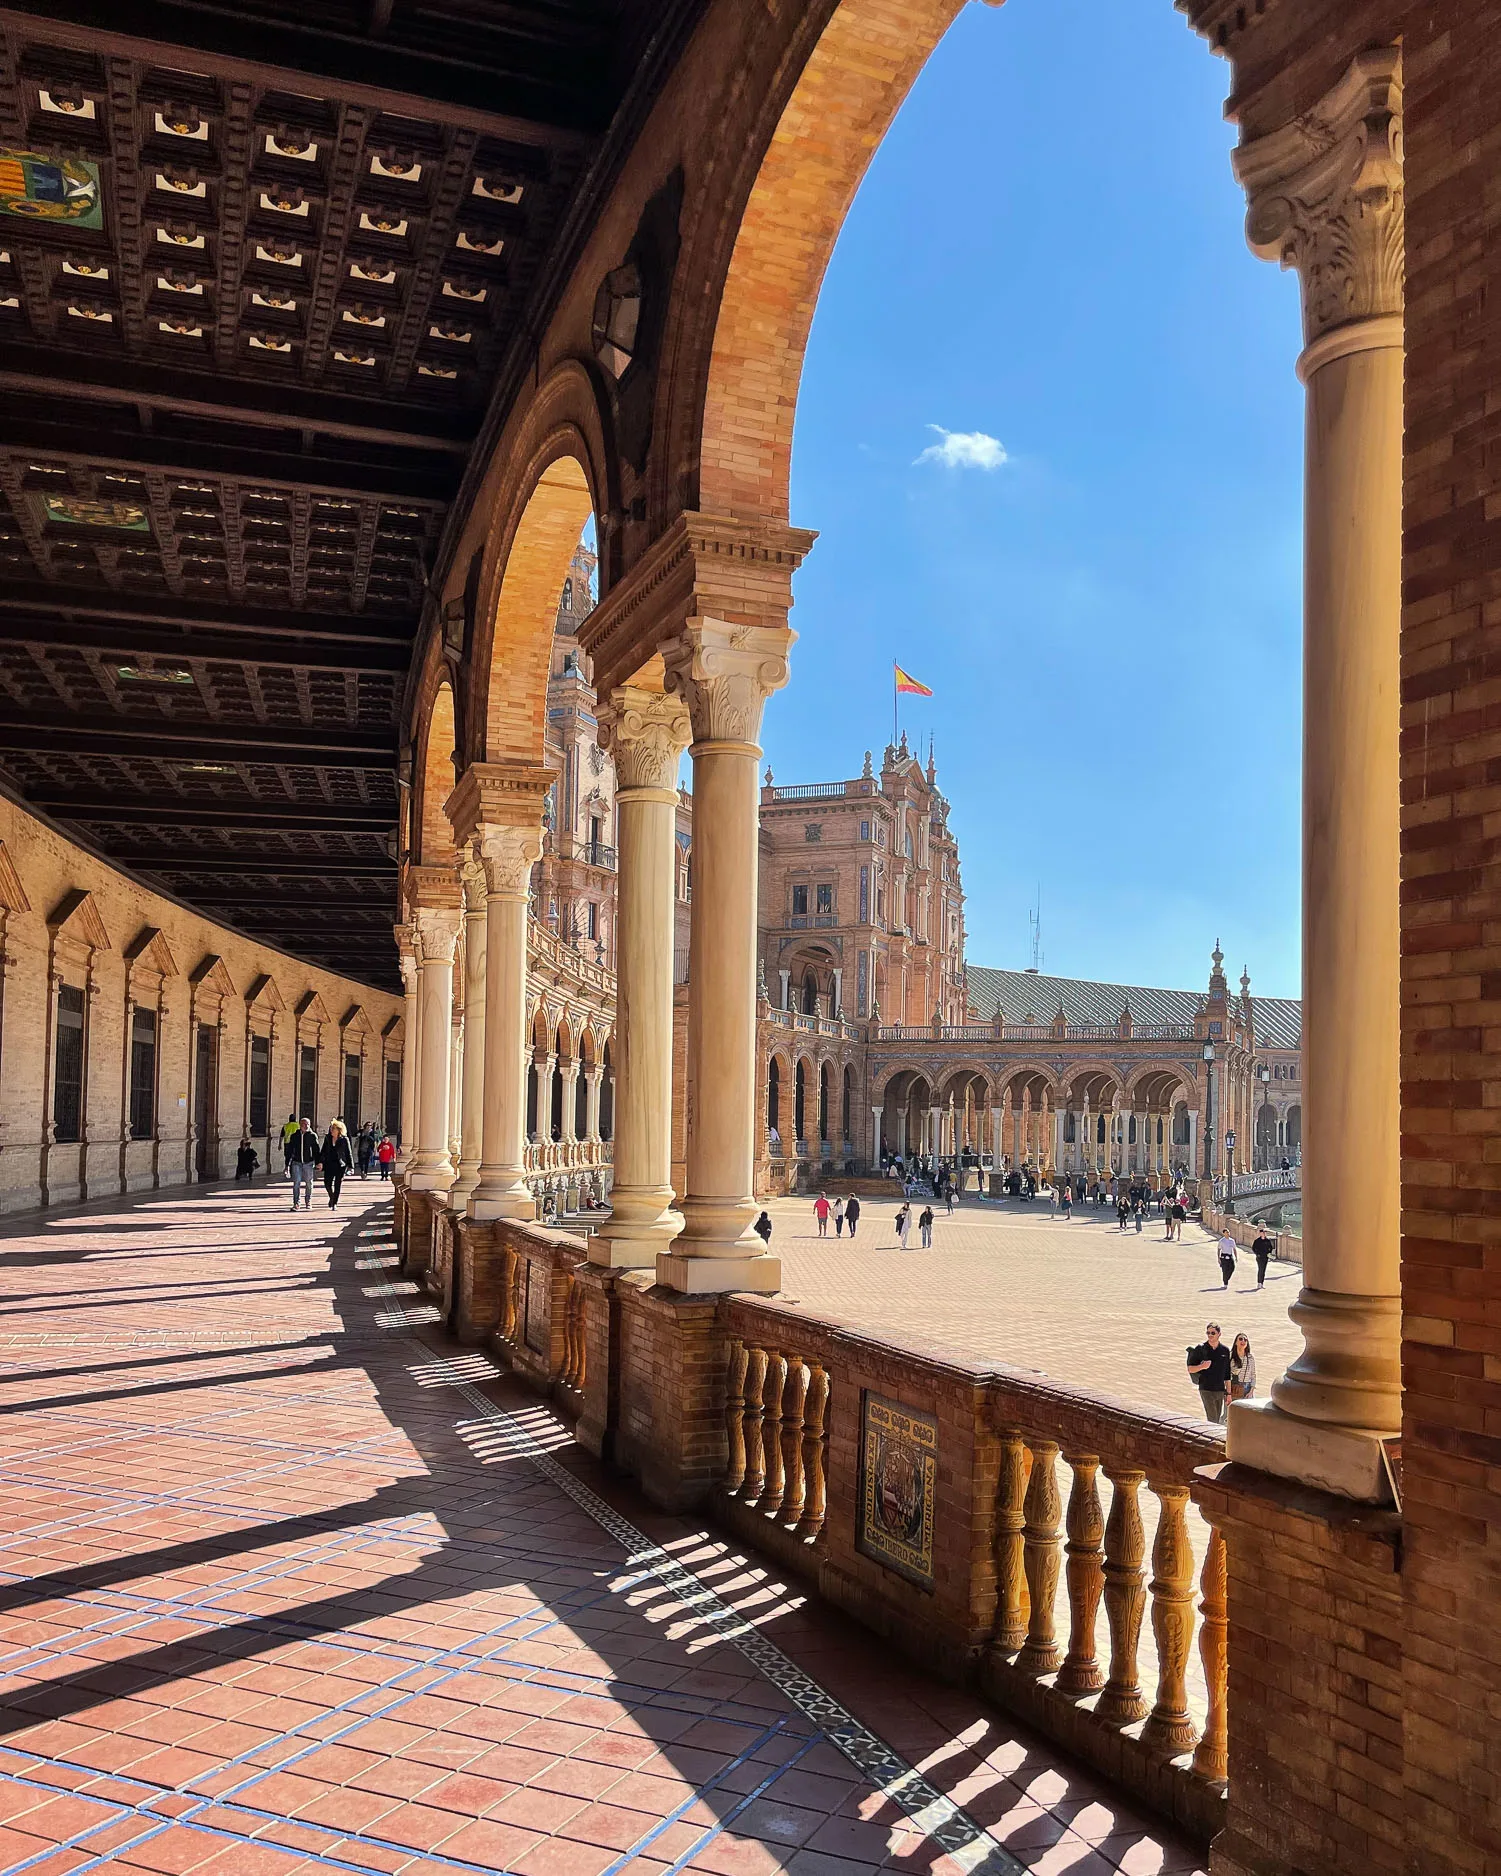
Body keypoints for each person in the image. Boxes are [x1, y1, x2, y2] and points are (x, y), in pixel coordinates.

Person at [1186, 1323, 1232, 1423]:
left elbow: (1227, 1374)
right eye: (1208, 1333)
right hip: (1205, 1388)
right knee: (1212, 1418)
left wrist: (1229, 1393)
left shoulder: (1225, 1350)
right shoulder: (1200, 1349)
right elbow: (1190, 1369)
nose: (1210, 1335)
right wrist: (1202, 1366)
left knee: (1217, 1418)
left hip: (1220, 1390)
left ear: (1219, 1334)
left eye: (1213, 1333)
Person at [286, 1117, 319, 1210]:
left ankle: (308, 1200)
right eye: (304, 1124)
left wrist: (318, 1162)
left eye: (307, 1124)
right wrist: (287, 1164)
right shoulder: (294, 1136)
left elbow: (316, 1150)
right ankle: (296, 1203)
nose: (306, 1126)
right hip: (297, 1162)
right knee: (296, 1182)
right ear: (300, 1125)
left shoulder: (312, 1136)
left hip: (308, 1162)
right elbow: (290, 1151)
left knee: (309, 1182)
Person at [321, 1119, 353, 1209]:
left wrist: (351, 1166)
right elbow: (323, 1151)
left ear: (339, 1130)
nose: (331, 1130)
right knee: (327, 1183)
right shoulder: (327, 1138)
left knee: (337, 1184)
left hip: (340, 1165)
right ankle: (332, 1197)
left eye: (334, 1128)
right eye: (331, 1128)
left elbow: (348, 1153)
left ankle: (334, 1203)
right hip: (329, 1164)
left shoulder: (344, 1139)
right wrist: (320, 1162)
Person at [1231, 1332, 1257, 1400]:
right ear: (1236, 1342)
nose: (1243, 1341)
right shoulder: (1230, 1356)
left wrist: (1251, 1392)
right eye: (1240, 1339)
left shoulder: (1250, 1357)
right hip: (1233, 1387)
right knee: (1231, 1410)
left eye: (1245, 1340)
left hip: (1247, 1388)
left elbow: (1253, 1376)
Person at [280, 1112, 298, 1179]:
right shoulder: (298, 1125)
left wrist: (279, 1144)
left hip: (287, 1143)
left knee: (287, 1156)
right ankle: (293, 1170)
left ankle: (287, 1168)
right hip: (296, 1143)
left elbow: (281, 1136)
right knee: (294, 1156)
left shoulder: (285, 1126)